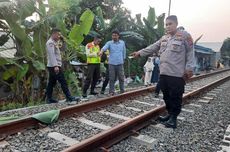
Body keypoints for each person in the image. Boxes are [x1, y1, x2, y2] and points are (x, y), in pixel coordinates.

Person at [131, 15, 195, 128]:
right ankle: (170, 114)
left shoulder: (185, 36)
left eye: (170, 24)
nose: (168, 26)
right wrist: (139, 53)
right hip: (164, 73)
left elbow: (190, 53)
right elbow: (152, 47)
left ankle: (173, 119)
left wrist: (189, 69)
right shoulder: (164, 38)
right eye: (166, 24)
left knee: (175, 97)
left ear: (176, 24)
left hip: (177, 74)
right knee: (166, 96)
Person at [46, 28, 80, 104]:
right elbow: (52, 55)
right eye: (58, 34)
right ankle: (69, 97)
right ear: (53, 34)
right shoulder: (50, 43)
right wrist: (55, 66)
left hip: (53, 66)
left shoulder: (54, 42)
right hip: (54, 66)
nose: (59, 36)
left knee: (51, 83)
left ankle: (49, 99)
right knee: (63, 81)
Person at [100, 29, 126, 96]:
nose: (114, 37)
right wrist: (101, 51)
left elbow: (124, 51)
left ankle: (122, 90)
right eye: (113, 35)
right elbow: (104, 47)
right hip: (112, 63)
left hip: (120, 63)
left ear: (118, 36)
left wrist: (124, 59)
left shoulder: (122, 43)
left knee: (121, 77)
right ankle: (111, 91)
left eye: (115, 35)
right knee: (112, 78)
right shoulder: (109, 43)